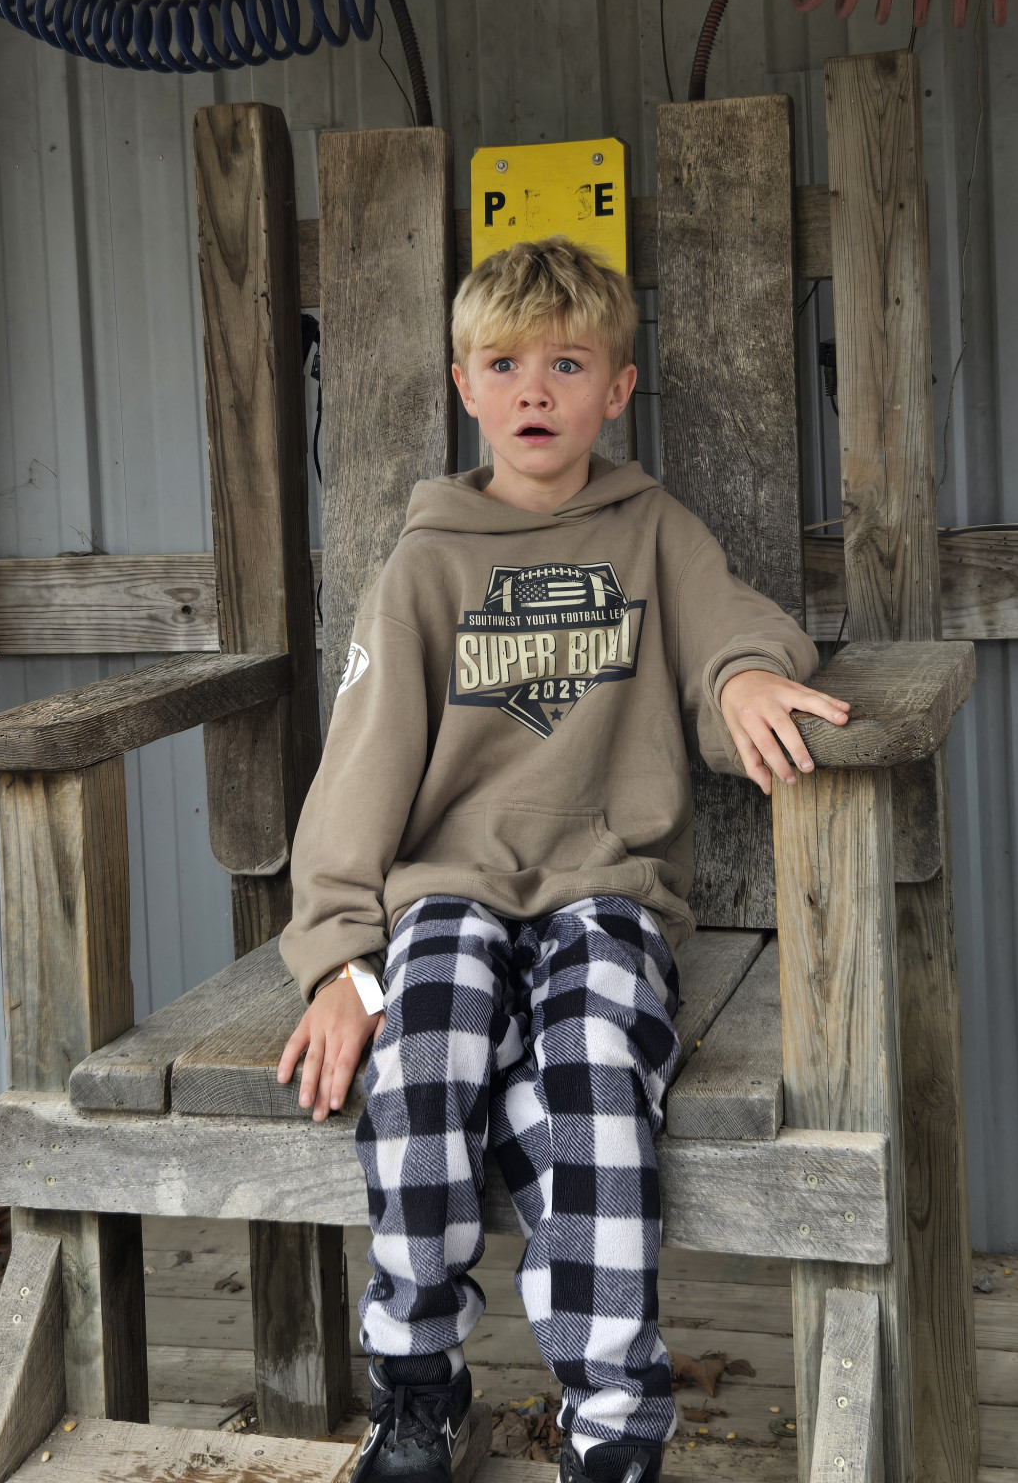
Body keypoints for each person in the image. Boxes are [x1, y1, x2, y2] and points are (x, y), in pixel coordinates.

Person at [277, 235, 849, 1483]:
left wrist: (744, 675)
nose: (534, 389)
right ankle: (419, 1383)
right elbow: (360, 768)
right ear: (464, 386)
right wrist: (336, 957)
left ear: (618, 390)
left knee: (588, 1073)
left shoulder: (655, 533)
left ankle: (614, 1424)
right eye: (504, 365)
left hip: (606, 891)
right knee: (426, 1054)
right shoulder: (425, 564)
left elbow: (735, 628)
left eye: (568, 364)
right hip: (447, 890)